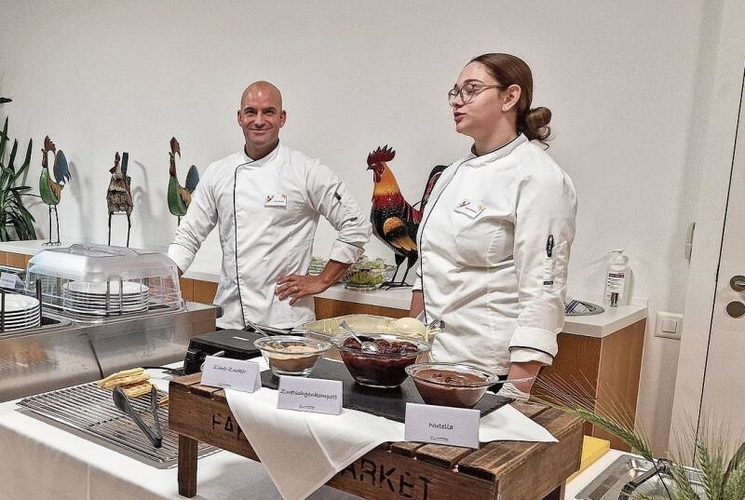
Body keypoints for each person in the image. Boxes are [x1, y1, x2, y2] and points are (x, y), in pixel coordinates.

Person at [409, 53, 577, 399]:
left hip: (488, 373)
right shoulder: (451, 174)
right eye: (455, 92)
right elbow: (425, 273)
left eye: (471, 90)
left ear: (510, 97)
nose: (458, 101)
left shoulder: (539, 178)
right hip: (433, 362)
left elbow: (543, 291)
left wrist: (513, 397)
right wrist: (410, 347)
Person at [169, 81, 371, 330]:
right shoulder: (218, 172)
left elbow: (356, 225)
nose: (259, 120)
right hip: (229, 320)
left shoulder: (306, 171)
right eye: (251, 112)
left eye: (269, 112)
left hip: (286, 323)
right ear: (240, 117)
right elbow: (188, 236)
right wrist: (164, 281)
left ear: (282, 118)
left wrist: (322, 280)